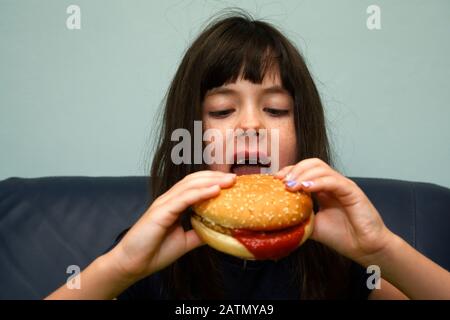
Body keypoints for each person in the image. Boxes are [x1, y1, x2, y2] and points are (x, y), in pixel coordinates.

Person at [46, 10, 450, 300]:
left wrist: (380, 249)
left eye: (275, 110)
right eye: (222, 111)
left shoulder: (334, 256)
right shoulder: (152, 253)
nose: (251, 125)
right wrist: (119, 267)